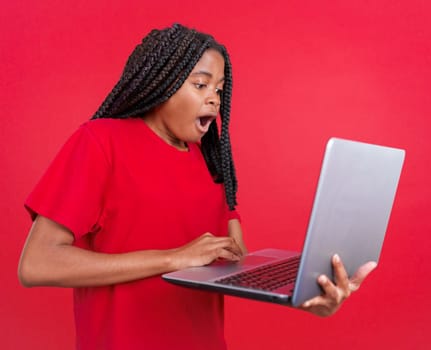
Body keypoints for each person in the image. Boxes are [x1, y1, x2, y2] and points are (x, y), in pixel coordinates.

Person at [18, 23, 377, 350]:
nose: (214, 99)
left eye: (219, 89)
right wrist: (175, 257)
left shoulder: (210, 163)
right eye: (201, 84)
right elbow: (37, 263)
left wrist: (306, 293)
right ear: (160, 82)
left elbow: (233, 262)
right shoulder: (100, 142)